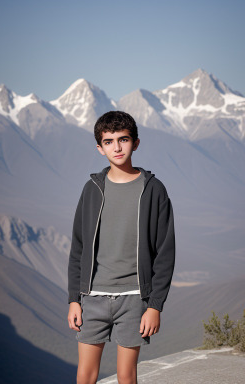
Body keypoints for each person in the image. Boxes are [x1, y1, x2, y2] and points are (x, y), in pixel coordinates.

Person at [67, 111, 175, 384]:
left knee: (127, 376)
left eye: (123, 139)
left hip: (134, 299)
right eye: (109, 141)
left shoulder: (153, 190)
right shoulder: (92, 189)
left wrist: (155, 306)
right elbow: (78, 249)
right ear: (99, 148)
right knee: (85, 375)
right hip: (92, 298)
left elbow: (165, 252)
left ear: (135, 143)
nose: (116, 147)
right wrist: (74, 299)